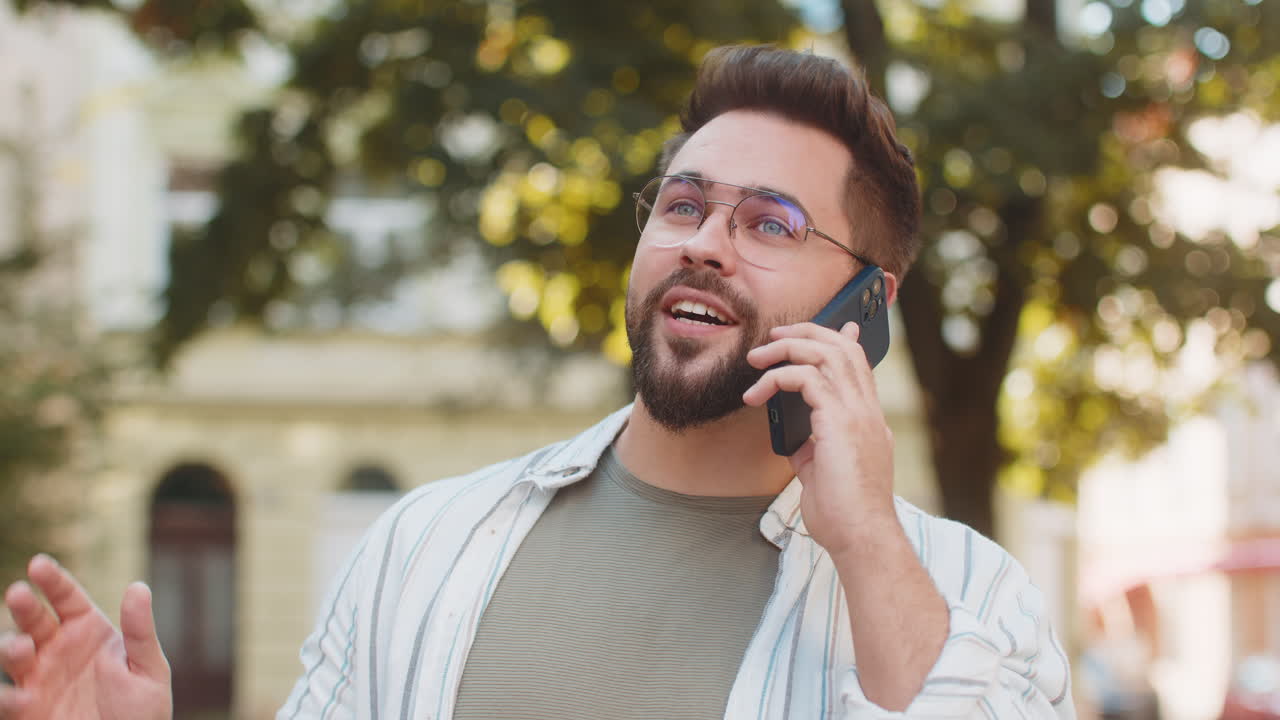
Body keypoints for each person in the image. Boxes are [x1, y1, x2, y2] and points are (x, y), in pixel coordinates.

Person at [0, 45, 1074, 719]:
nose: (702, 243)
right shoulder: (420, 547)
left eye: (769, 224)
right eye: (684, 204)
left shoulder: (967, 597)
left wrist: (867, 542)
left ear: (868, 305)